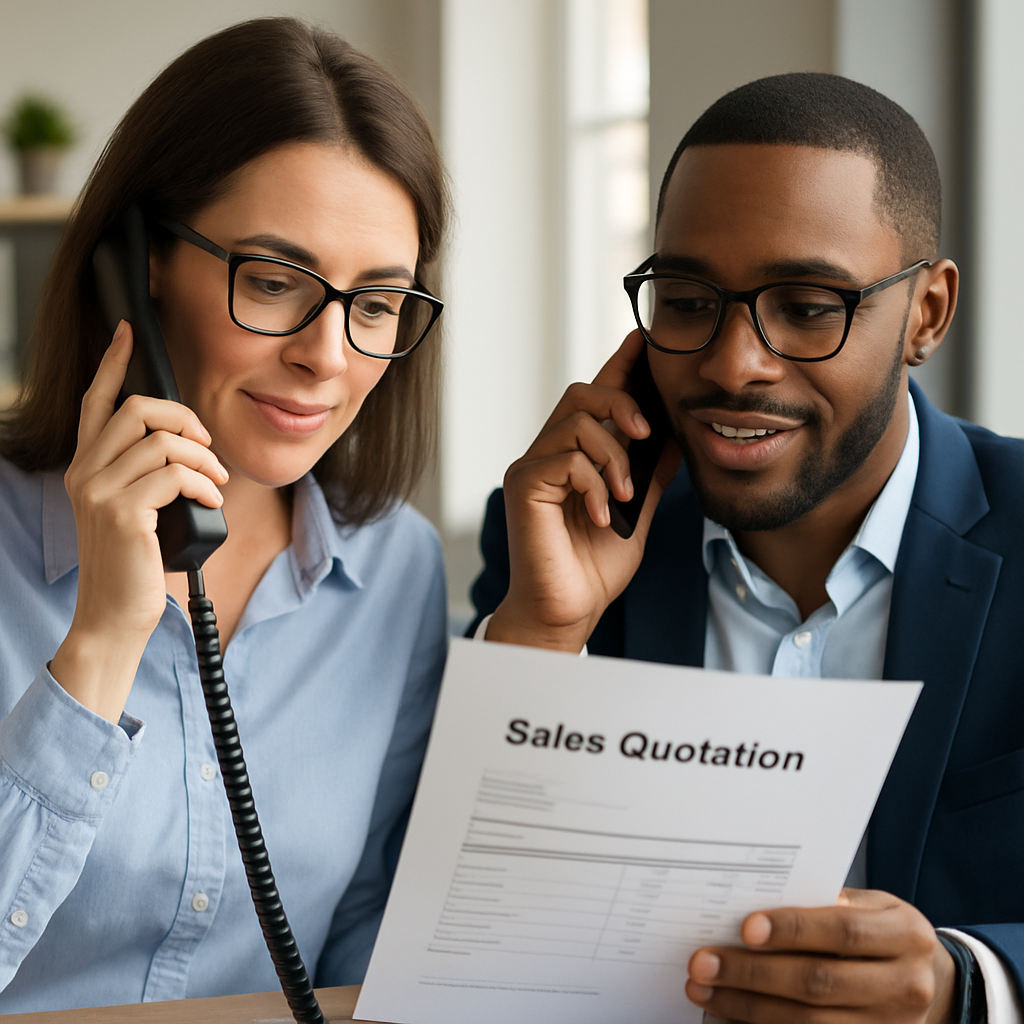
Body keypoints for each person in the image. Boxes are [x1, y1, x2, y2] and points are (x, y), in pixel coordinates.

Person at [470, 73, 1024, 1023]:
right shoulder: (569, 537)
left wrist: (964, 983)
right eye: (686, 301)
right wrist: (542, 638)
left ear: (926, 313)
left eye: (809, 307)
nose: (733, 364)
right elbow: (468, 942)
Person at [0, 17, 448, 1013]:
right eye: (277, 282)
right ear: (141, 258)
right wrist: (105, 641)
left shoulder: (397, 569)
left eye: (374, 305)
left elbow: (364, 951)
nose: (327, 356)